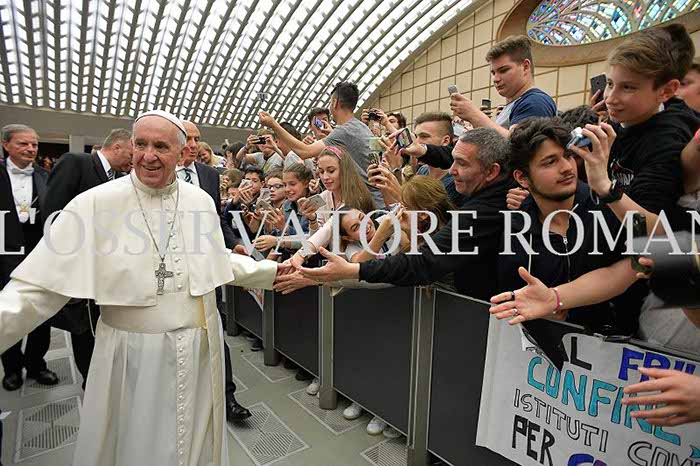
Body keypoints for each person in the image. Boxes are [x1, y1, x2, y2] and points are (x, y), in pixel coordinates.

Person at [0, 110, 286, 466]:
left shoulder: (199, 201)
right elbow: (38, 287)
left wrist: (270, 271)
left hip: (198, 351)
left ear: (182, 154)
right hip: (131, 356)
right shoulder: (94, 203)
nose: (148, 156)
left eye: (161, 146)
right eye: (141, 144)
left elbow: (215, 260)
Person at [297, 129, 514, 301]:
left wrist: (341, 274)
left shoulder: (479, 213)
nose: (452, 169)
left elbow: (417, 265)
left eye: (462, 163)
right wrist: (423, 150)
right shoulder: (481, 193)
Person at [498, 117, 643, 335]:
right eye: (550, 162)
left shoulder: (610, 205)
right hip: (547, 346)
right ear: (522, 178)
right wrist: (538, 308)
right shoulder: (518, 224)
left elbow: (636, 264)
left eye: (568, 156)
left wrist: (558, 298)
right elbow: (516, 293)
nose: (567, 168)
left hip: (620, 344)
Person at [43, 128, 133, 389]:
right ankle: (90, 381)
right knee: (84, 327)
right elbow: (54, 215)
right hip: (81, 267)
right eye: (131, 153)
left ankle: (108, 375)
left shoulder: (119, 178)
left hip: (108, 272)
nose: (133, 160)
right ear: (117, 146)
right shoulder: (76, 163)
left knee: (105, 324)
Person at [178, 120, 249, 421]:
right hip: (172, 270)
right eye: (188, 139)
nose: (194, 145)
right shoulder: (160, 174)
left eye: (198, 139)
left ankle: (226, 396)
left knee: (214, 327)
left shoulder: (208, 174)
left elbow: (217, 219)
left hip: (206, 267)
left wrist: (234, 244)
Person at [259, 81, 384, 207]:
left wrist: (273, 125)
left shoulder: (344, 131)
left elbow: (304, 152)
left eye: (330, 103)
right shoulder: (362, 128)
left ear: (335, 103)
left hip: (369, 203)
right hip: (379, 199)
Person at [0, 124, 58, 391]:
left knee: (39, 309)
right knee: (8, 309)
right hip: (4, 251)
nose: (31, 149)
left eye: (34, 144)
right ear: (6, 145)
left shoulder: (47, 176)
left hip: (39, 251)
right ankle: (12, 368)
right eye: (23, 143)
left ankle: (37, 364)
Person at [449, 35, 556, 137]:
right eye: (493, 73)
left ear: (525, 67)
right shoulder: (514, 105)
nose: (495, 79)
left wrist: (474, 115)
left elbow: (519, 145)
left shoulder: (535, 102)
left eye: (503, 70)